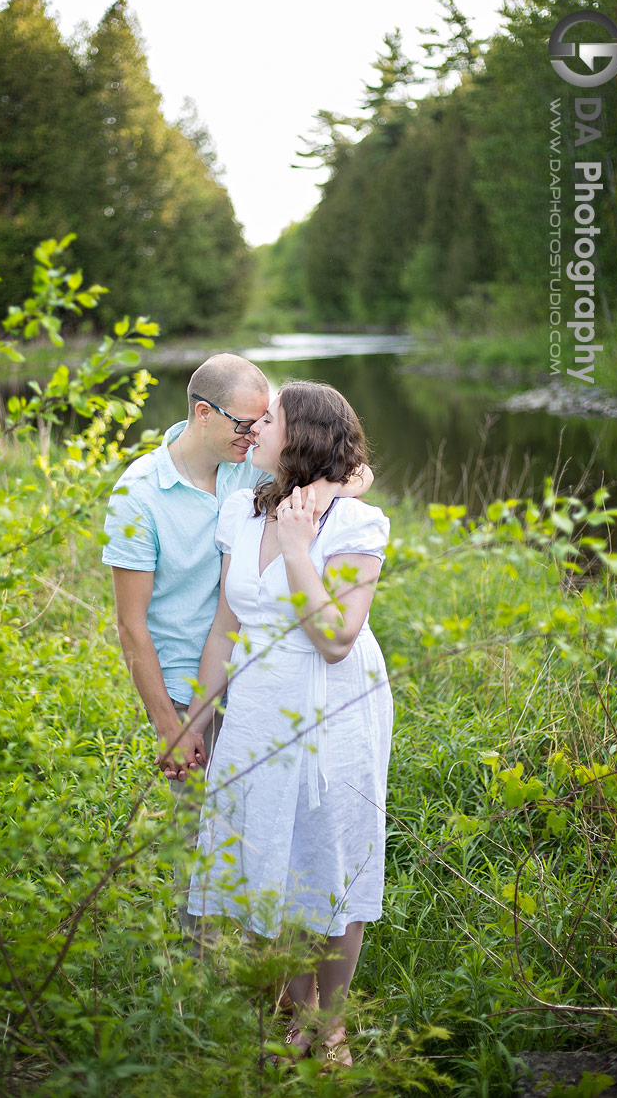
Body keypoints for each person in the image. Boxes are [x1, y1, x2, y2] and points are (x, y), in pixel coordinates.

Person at [102, 355, 373, 939]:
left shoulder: (246, 473)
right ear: (204, 414)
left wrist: (332, 483)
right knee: (202, 839)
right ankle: (201, 991)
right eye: (245, 424)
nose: (255, 436)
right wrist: (170, 725)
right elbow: (130, 627)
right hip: (186, 687)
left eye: (263, 423)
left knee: (265, 831)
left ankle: (267, 976)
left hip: (258, 682)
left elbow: (349, 472)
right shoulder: (138, 495)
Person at [185, 381, 392, 1067]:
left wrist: (299, 546)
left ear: (298, 435)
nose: (253, 428)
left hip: (332, 704)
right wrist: (194, 722)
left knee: (329, 854)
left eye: (266, 418)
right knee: (268, 852)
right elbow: (224, 629)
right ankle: (294, 1011)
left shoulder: (355, 524)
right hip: (256, 706)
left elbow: (335, 637)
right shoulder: (242, 511)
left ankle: (330, 1024)